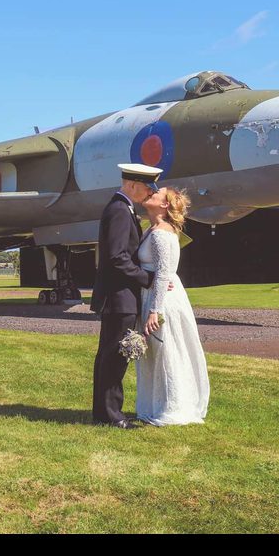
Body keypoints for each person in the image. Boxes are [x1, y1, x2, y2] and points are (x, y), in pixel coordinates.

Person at [90, 163, 162, 429]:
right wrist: (148, 279)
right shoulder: (120, 210)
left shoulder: (121, 208)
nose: (148, 194)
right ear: (132, 185)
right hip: (120, 297)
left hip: (119, 296)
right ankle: (111, 415)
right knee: (114, 357)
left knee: (110, 356)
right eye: (146, 188)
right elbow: (117, 257)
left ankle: (105, 412)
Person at [135, 186, 210, 426]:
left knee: (166, 350)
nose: (151, 193)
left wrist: (154, 311)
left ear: (165, 205)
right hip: (156, 294)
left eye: (156, 194)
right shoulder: (154, 230)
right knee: (160, 352)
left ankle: (173, 407)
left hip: (162, 299)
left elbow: (163, 273)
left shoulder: (159, 234)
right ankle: (158, 403)